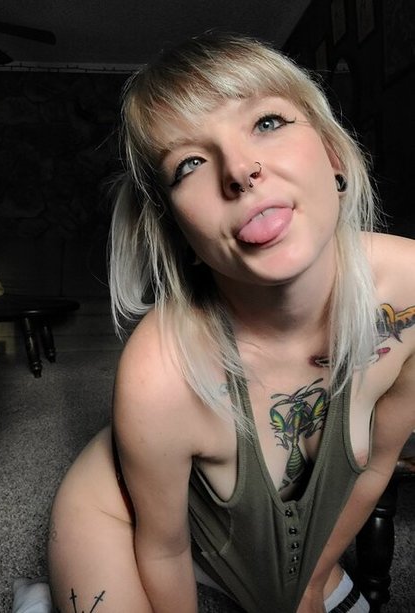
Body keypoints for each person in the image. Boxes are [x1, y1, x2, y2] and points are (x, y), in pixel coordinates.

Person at [47, 32, 415, 613]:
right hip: (130, 520)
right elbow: (164, 549)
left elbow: (375, 466)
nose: (240, 170)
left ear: (333, 156)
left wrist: (313, 581)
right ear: (179, 230)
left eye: (267, 122)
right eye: (189, 163)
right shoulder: (158, 373)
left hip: (262, 538)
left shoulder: (411, 289)